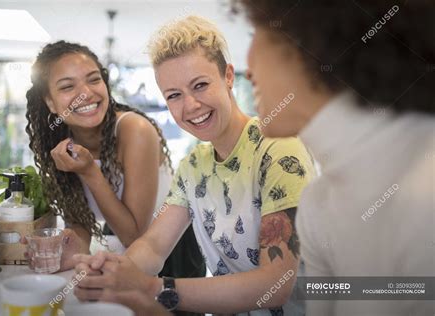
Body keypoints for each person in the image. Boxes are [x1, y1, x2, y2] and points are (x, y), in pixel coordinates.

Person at [73, 16, 315, 315]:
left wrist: (151, 288)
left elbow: (276, 286)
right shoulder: (193, 167)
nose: (190, 106)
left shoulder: (279, 148)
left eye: (200, 85)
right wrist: (111, 271)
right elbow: (153, 246)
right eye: (174, 95)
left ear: (228, 76)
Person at [234, 1, 435, 315]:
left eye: (254, 34)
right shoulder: (318, 203)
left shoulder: (426, 182)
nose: (248, 65)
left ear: (307, 36)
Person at [24, 41, 205, 287]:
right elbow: (80, 223)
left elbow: (134, 235)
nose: (86, 93)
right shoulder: (60, 146)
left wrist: (89, 172)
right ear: (51, 103)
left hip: (172, 253)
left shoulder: (135, 130)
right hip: (124, 253)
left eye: (94, 79)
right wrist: (67, 251)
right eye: (68, 86)